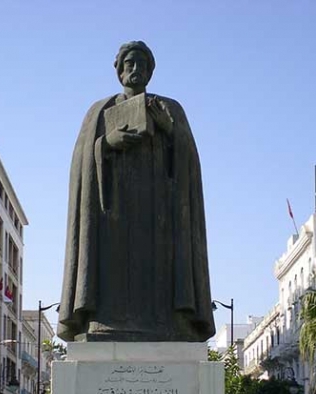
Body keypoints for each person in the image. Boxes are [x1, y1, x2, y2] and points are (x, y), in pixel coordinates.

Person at [58, 40, 215, 343]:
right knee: (114, 268)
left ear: (150, 71)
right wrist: (107, 143)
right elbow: (80, 165)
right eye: (129, 63)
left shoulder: (169, 108)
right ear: (119, 70)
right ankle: (105, 321)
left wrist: (167, 129)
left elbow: (190, 162)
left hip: (160, 213)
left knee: (160, 269)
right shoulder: (100, 111)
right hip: (112, 213)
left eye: (142, 64)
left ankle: (170, 323)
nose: (136, 70)